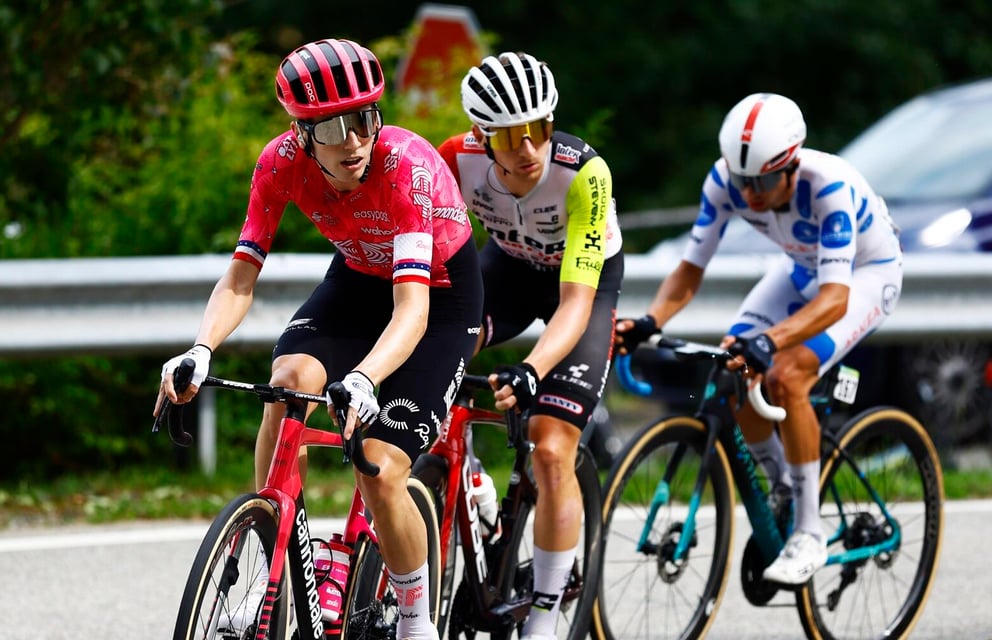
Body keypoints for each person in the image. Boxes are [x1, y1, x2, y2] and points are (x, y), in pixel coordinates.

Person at [154, 38, 481, 640]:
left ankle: (415, 623)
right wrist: (201, 348)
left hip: (438, 296)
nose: (354, 140)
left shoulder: (404, 166)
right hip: (357, 279)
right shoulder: (278, 164)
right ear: (301, 133)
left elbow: (411, 310)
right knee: (287, 385)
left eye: (364, 119)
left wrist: (362, 378)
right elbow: (241, 275)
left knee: (380, 469)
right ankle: (274, 541)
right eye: (331, 128)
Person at [615, 92, 902, 585]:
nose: (750, 193)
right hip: (802, 269)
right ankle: (783, 487)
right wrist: (650, 320)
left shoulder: (827, 186)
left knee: (788, 374)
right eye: (742, 180)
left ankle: (809, 531)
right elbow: (689, 269)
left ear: (790, 166)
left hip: (864, 275)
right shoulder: (725, 180)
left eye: (765, 181)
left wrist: (772, 340)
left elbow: (835, 299)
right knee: (735, 364)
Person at [437, 51, 623, 639]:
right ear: (481, 136)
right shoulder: (455, 160)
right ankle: (467, 479)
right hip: (509, 271)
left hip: (580, 287)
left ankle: (544, 616)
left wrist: (531, 369)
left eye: (540, 129)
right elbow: (440, 266)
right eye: (512, 136)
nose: (529, 148)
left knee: (549, 448)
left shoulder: (583, 173)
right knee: (436, 358)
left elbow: (573, 305)